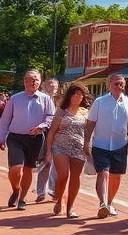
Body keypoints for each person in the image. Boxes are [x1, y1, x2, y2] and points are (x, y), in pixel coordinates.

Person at [0, 70, 55, 210]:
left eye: (35, 79)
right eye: (29, 79)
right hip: (16, 138)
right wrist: (1, 137)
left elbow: (51, 117)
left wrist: (41, 127)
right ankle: (16, 189)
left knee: (28, 169)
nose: (32, 82)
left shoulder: (46, 99)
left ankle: (22, 198)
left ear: (39, 82)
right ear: (24, 81)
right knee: (16, 168)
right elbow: (5, 120)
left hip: (35, 139)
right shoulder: (15, 99)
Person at [85, 73, 128, 219]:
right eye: (116, 84)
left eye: (121, 84)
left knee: (116, 175)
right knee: (103, 173)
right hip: (100, 144)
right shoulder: (100, 102)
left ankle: (110, 202)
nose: (119, 87)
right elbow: (90, 125)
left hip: (120, 145)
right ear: (109, 85)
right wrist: (86, 142)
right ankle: (102, 204)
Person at [45, 84, 90, 218]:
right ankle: (59, 197)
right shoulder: (61, 112)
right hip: (60, 147)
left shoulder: (85, 112)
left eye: (80, 94)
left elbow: (89, 131)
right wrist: (49, 151)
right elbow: (52, 132)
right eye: (75, 93)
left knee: (75, 177)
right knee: (63, 174)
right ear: (70, 96)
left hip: (78, 148)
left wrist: (88, 145)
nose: (78, 96)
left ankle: (70, 207)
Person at [35, 78, 60, 202]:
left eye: (54, 84)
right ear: (44, 86)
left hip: (59, 134)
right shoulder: (41, 99)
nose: (52, 86)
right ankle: (40, 191)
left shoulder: (61, 100)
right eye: (49, 84)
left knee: (57, 163)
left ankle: (54, 190)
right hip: (45, 133)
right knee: (46, 162)